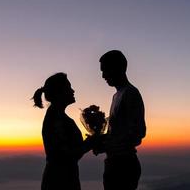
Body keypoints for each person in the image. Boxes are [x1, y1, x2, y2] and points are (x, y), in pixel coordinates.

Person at [32, 72, 94, 190]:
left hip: (62, 178)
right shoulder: (56, 119)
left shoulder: (57, 116)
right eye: (69, 88)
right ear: (59, 93)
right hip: (59, 181)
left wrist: (89, 142)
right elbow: (64, 156)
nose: (73, 91)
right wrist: (89, 143)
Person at [99, 50, 146, 190]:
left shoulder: (130, 93)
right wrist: (101, 140)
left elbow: (138, 133)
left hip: (124, 165)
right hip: (113, 162)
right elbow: (118, 132)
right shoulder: (116, 96)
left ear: (118, 68)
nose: (103, 76)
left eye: (105, 70)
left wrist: (107, 145)